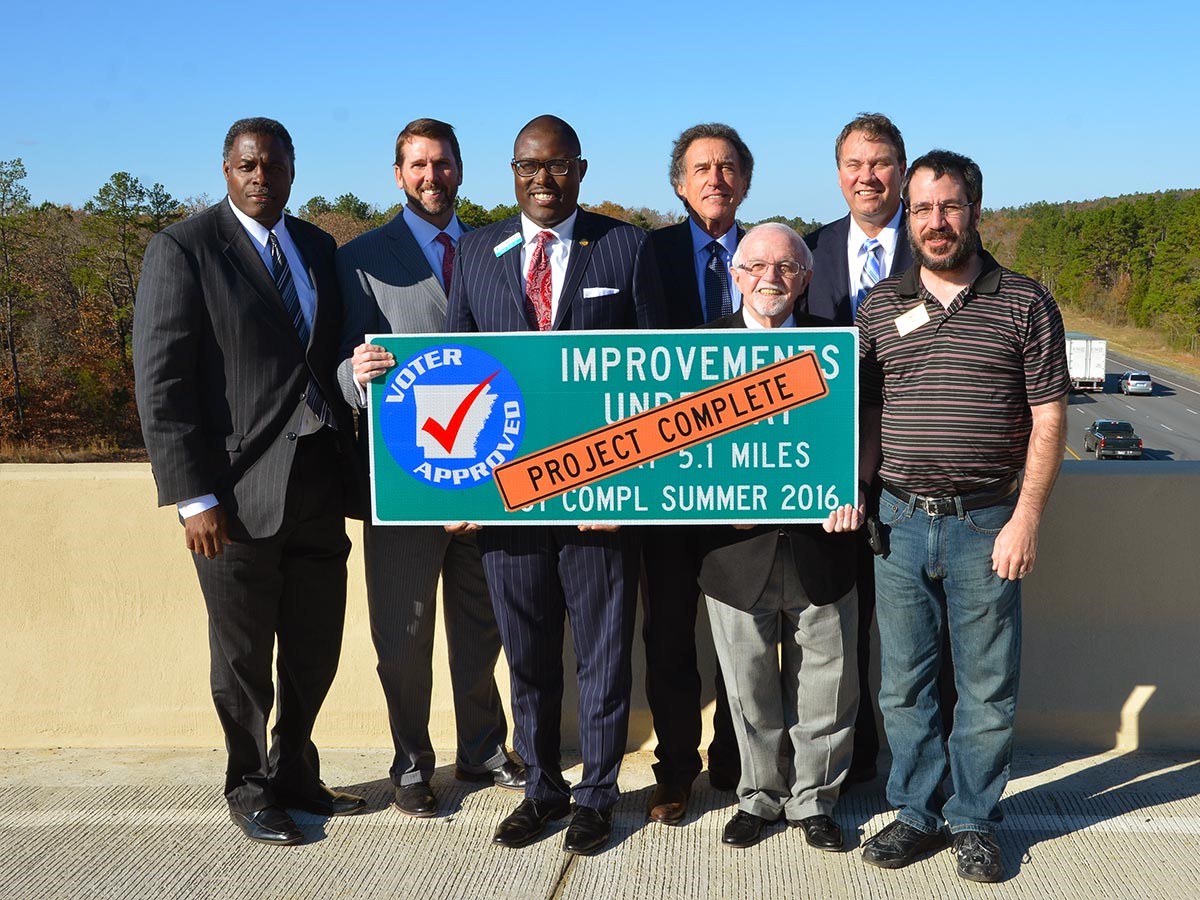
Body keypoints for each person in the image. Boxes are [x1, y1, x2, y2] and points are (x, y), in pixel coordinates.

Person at [133, 117, 366, 846]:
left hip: (320, 485)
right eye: (247, 165)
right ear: (226, 169)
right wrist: (191, 496)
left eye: (273, 165)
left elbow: (323, 356)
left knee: (312, 646)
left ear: (293, 170)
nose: (260, 176)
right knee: (241, 658)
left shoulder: (319, 248)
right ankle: (250, 784)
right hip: (232, 498)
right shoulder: (183, 249)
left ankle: (297, 770)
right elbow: (161, 381)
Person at [445, 115, 665, 855]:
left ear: (581, 170)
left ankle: (597, 796)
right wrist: (456, 494)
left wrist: (629, 489)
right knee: (529, 656)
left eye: (558, 165)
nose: (543, 178)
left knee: (602, 656)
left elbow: (659, 376)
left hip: (599, 503)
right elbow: (455, 368)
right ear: (511, 173)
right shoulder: (476, 251)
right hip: (508, 502)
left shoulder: (627, 246)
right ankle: (542, 789)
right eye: (528, 166)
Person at [857, 150, 1069, 882]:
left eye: (949, 207)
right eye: (922, 209)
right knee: (905, 684)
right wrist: (853, 487)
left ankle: (974, 820)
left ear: (974, 210)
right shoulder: (880, 306)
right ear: (906, 217)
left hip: (987, 523)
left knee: (986, 684)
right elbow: (862, 409)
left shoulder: (1025, 302)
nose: (936, 222)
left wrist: (1027, 518)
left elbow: (1048, 418)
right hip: (899, 521)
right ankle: (916, 813)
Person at [335, 118, 524, 819]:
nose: (431, 176)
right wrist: (353, 372)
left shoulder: (497, 247)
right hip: (406, 486)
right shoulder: (360, 258)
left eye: (442, 164)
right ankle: (411, 763)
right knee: (403, 634)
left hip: (489, 476)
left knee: (484, 627)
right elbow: (332, 360)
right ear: (397, 174)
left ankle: (482, 748)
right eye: (417, 165)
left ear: (460, 170)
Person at [697, 223, 860, 850]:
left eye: (787, 267)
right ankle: (759, 798)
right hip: (734, 556)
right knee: (749, 692)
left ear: (806, 278)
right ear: (735, 274)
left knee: (826, 690)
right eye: (757, 265)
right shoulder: (696, 352)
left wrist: (855, 492)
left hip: (823, 546)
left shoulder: (836, 349)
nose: (772, 277)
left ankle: (814, 801)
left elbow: (858, 442)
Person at [801, 112, 931, 785]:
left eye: (880, 163)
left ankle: (921, 770)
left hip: (913, 476)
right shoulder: (808, 249)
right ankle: (852, 760)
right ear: (839, 173)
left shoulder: (935, 247)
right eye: (854, 163)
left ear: (901, 172)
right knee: (839, 632)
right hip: (827, 479)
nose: (867, 176)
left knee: (914, 639)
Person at [638, 123, 752, 824]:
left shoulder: (771, 253)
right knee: (670, 638)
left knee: (744, 636)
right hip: (666, 483)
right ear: (680, 183)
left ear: (745, 180)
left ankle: (736, 762)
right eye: (701, 168)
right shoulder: (645, 253)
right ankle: (675, 771)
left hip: (746, 481)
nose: (716, 178)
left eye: (728, 167)